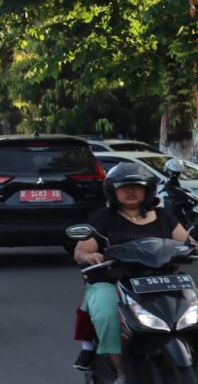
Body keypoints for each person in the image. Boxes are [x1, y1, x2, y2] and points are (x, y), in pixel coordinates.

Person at [73, 163, 193, 382]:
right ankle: (121, 372)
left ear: (147, 190)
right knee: (107, 314)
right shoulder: (103, 218)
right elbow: (81, 250)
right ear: (112, 191)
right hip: (113, 282)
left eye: (137, 186)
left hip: (164, 282)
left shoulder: (164, 216)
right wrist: (89, 256)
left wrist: (192, 247)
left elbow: (187, 242)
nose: (131, 191)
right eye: (124, 186)